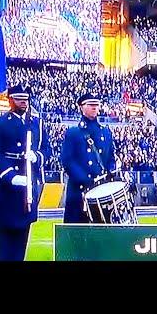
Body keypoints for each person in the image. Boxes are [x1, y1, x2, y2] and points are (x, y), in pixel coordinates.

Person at [0, 84, 50, 261]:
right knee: (5, 242)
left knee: (22, 240)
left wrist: (36, 156)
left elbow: (47, 149)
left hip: (26, 189)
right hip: (6, 188)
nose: (24, 102)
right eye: (19, 99)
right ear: (10, 100)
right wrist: (10, 176)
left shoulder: (37, 123)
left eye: (26, 99)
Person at [60, 93, 116, 223]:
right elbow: (67, 161)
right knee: (77, 234)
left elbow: (111, 157)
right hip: (79, 192)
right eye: (91, 105)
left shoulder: (105, 132)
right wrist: (86, 180)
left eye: (96, 105)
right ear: (81, 107)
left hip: (101, 191)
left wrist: (111, 171)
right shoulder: (74, 132)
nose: (94, 108)